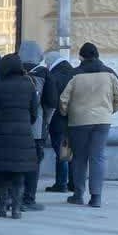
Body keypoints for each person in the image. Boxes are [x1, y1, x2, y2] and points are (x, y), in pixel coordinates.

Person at [59, 42, 118, 208]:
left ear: (81, 57)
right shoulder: (109, 73)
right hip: (102, 121)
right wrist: (108, 111)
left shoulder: (74, 74)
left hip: (79, 122)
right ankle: (96, 197)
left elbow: (63, 100)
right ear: (97, 55)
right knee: (97, 157)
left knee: (80, 158)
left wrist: (67, 113)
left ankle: (78, 194)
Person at [0, 53, 39, 219]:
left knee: (1, 174)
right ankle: (16, 209)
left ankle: (1, 208)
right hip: (23, 134)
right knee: (18, 175)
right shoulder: (29, 86)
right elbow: (34, 113)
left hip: (1, 133)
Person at [18, 41, 50, 212]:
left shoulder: (12, 70)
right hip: (36, 127)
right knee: (33, 163)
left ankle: (13, 196)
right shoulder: (44, 73)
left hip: (15, 127)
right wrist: (45, 121)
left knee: (15, 161)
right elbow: (51, 101)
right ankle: (29, 198)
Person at [43, 50, 79, 193]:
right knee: (69, 151)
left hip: (59, 120)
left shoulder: (54, 76)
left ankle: (61, 183)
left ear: (51, 62)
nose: (46, 66)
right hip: (74, 119)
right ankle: (73, 182)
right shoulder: (73, 73)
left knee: (62, 152)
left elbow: (51, 99)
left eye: (46, 63)